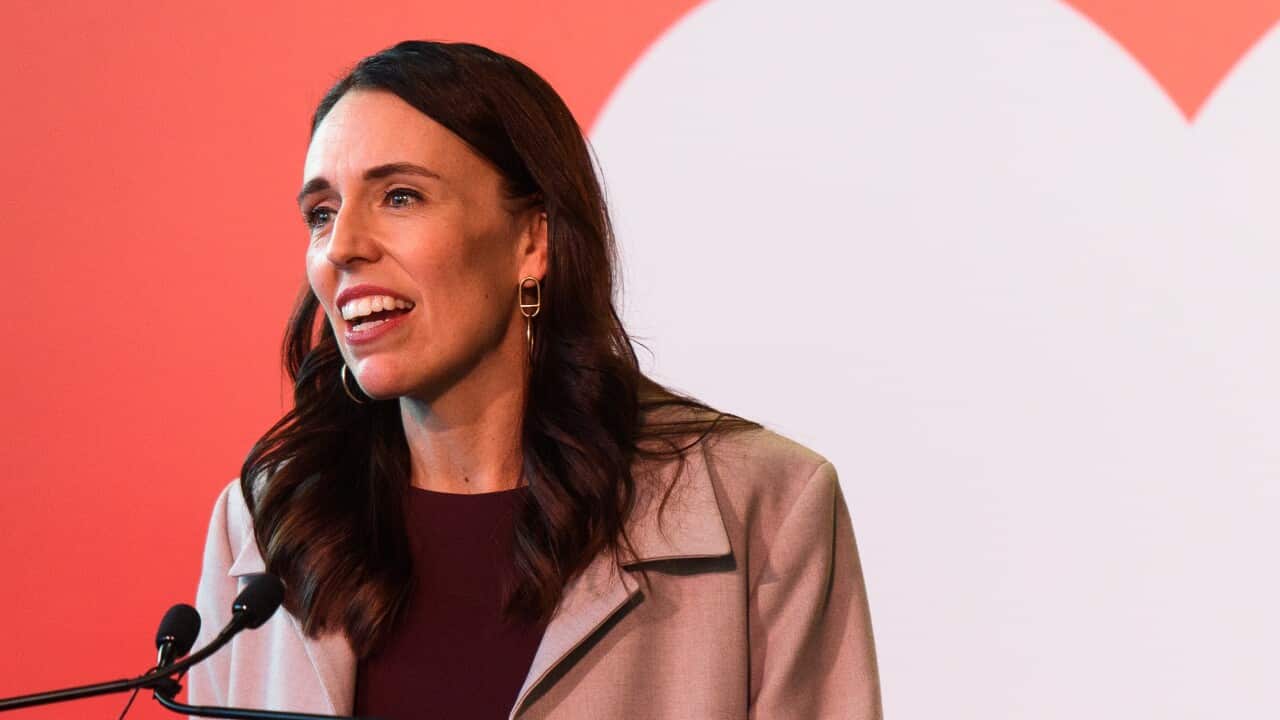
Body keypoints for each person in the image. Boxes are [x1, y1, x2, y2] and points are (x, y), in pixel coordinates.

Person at [189, 40, 881, 719]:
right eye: (321, 213)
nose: (341, 247)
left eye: (399, 197)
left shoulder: (764, 505)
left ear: (533, 240)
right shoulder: (261, 524)